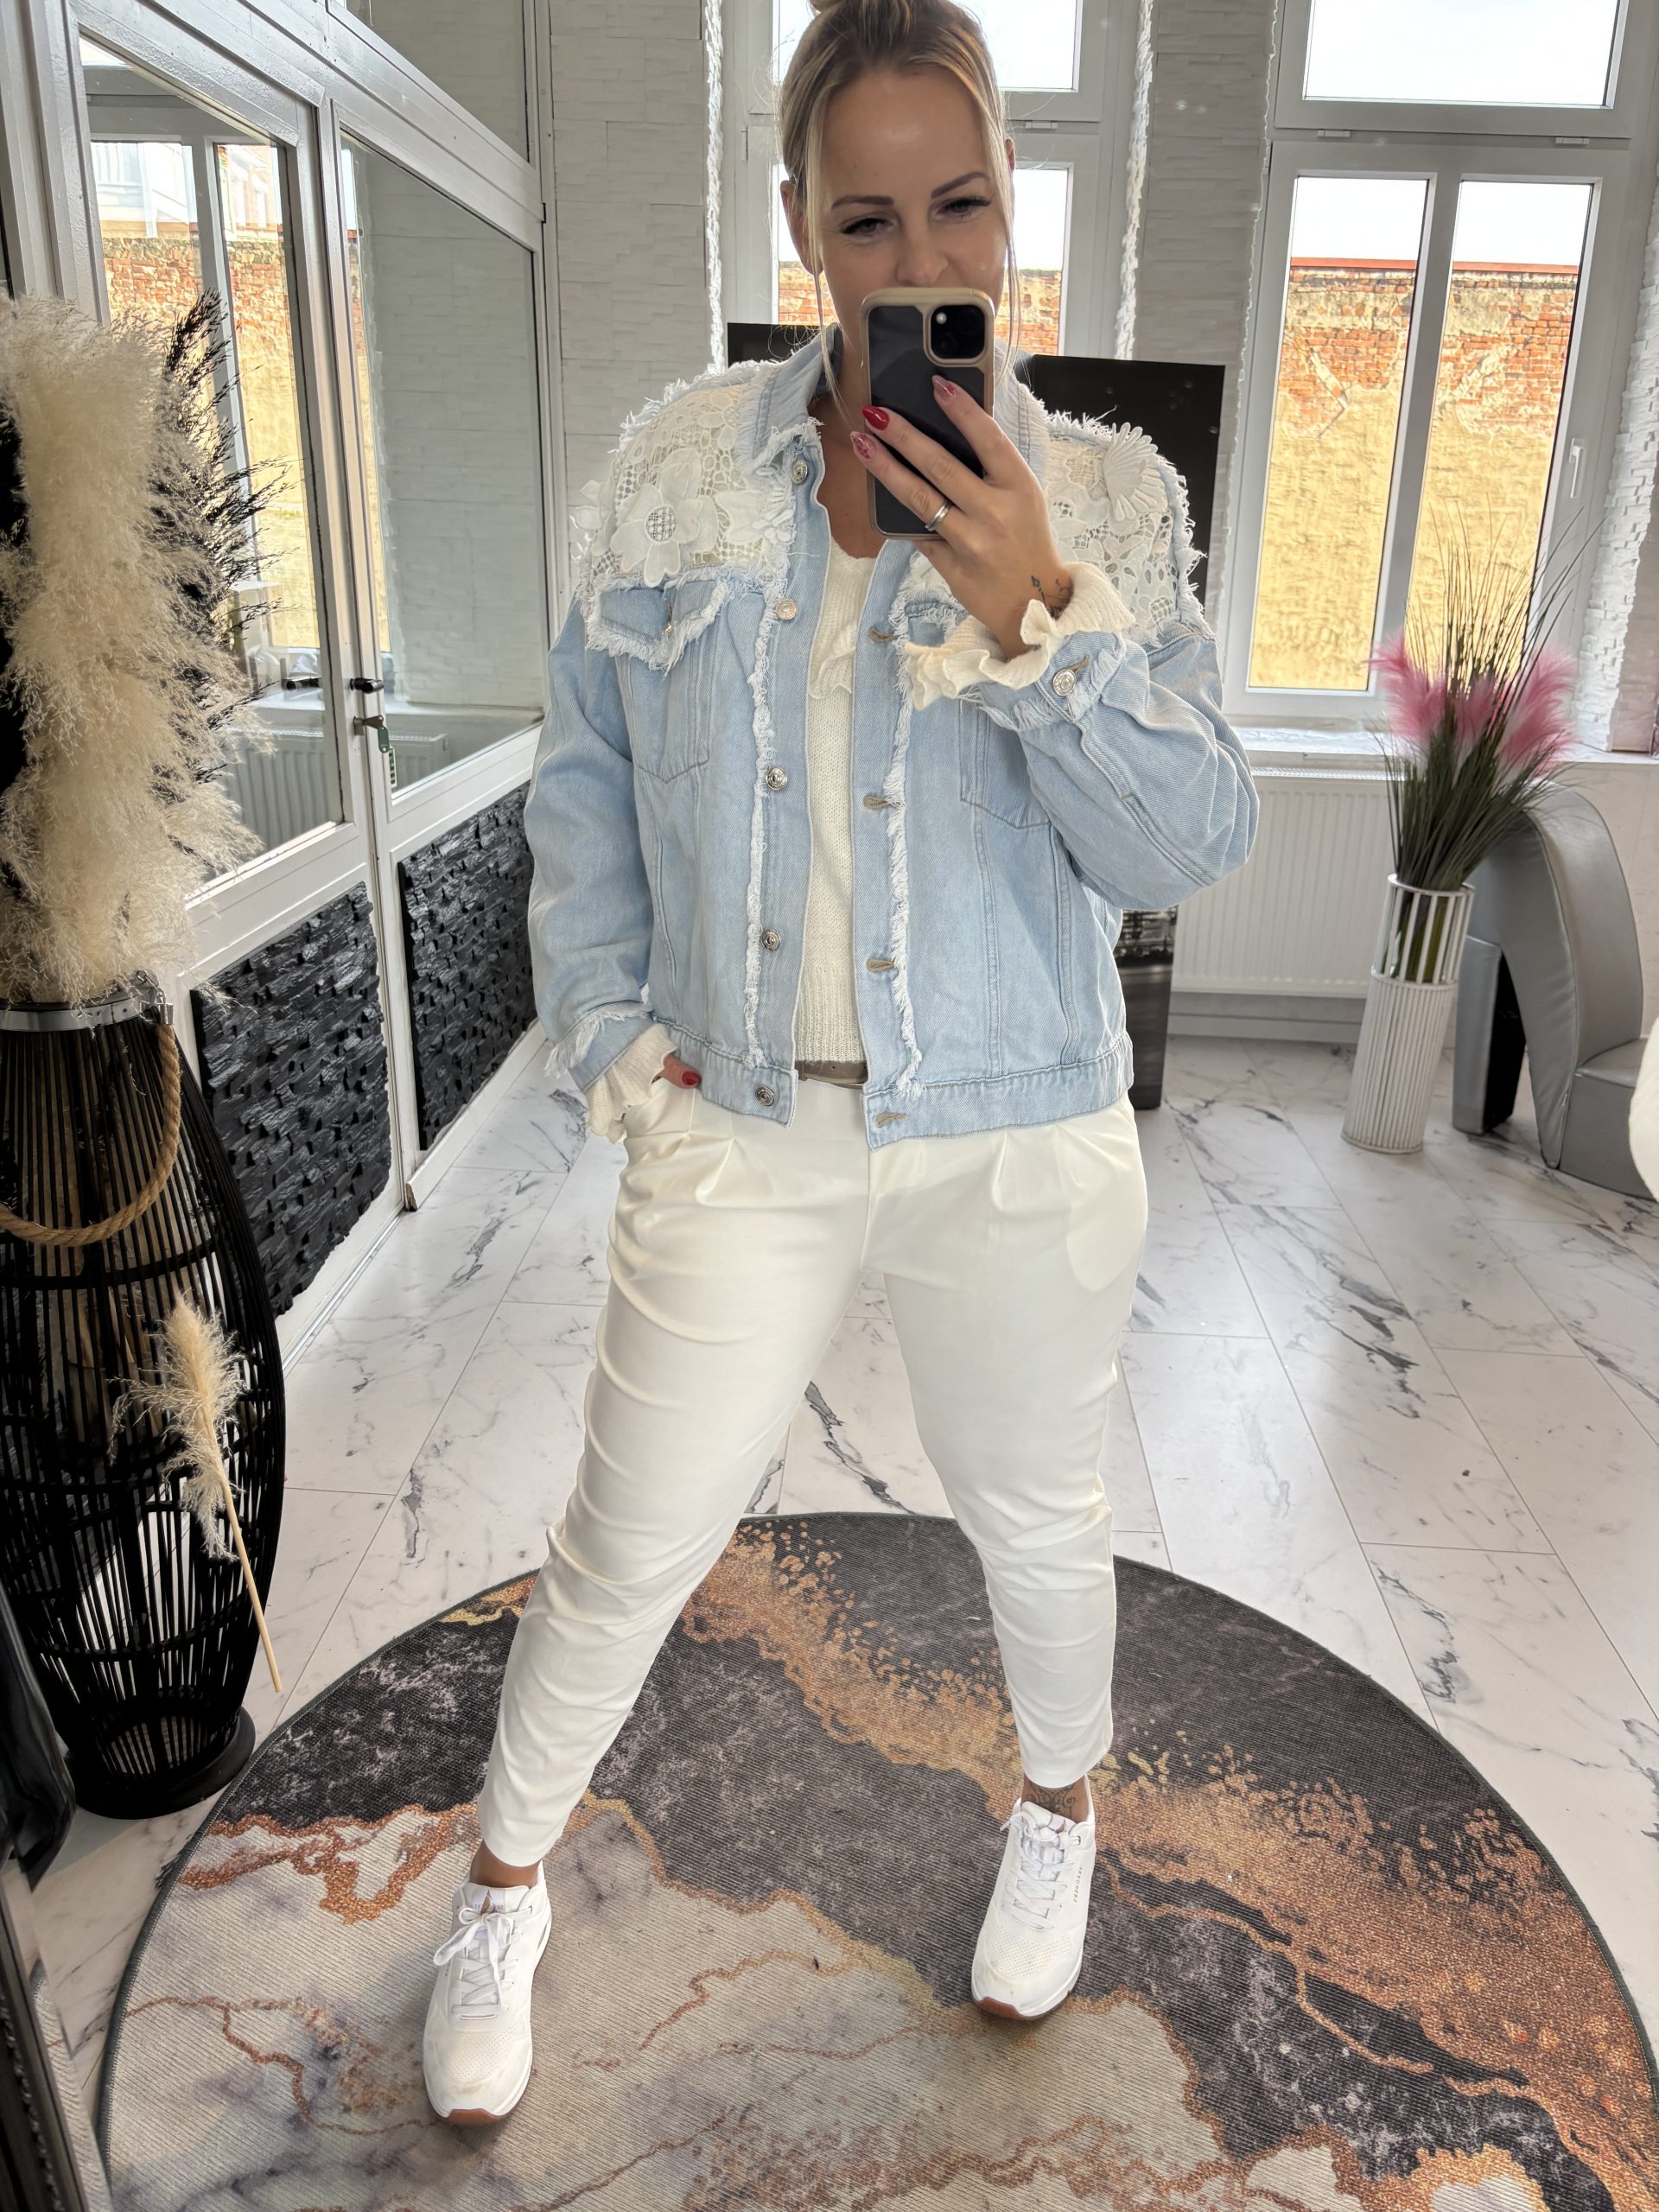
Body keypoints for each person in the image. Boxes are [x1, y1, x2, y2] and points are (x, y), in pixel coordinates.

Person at [423, 0, 1259, 2126]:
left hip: (1021, 1125)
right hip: (746, 1123)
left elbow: (1185, 845)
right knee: (628, 1528)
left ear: (1012, 204)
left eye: (956, 203)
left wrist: (1039, 607)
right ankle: (499, 1885)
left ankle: (1057, 1812)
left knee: (1038, 1519)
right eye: (865, 217)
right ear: (801, 224)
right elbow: (582, 796)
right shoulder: (676, 476)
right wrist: (618, 1048)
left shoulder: (1108, 498)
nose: (916, 258)